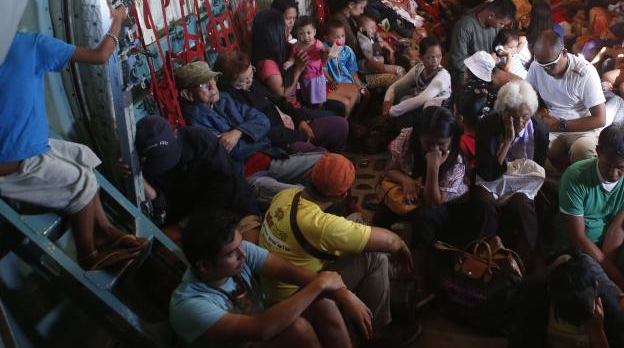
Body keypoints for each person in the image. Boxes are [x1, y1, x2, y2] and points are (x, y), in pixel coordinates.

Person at [0, 5, 148, 271]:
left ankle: (103, 228)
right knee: (80, 180)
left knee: (82, 155)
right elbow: (101, 55)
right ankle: (88, 255)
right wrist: (117, 21)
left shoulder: (30, 45)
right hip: (11, 161)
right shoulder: (30, 44)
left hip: (28, 143)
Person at [259, 154, 421, 346]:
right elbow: (392, 241)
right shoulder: (321, 225)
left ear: (310, 175)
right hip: (297, 299)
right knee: (375, 256)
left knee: (357, 219)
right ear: (342, 195)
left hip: (278, 283)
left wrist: (358, 212)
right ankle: (377, 330)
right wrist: (402, 247)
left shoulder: (286, 195)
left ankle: (369, 298)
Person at [168, 209, 351, 347]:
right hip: (253, 336)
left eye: (240, 244)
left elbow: (296, 275)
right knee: (298, 330)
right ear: (205, 266)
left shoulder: (240, 253)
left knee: (324, 304)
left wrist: (346, 296)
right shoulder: (190, 305)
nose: (243, 254)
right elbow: (261, 329)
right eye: (232, 253)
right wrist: (320, 284)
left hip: (259, 330)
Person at [175, 61, 324, 204]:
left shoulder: (224, 99)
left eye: (213, 79)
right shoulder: (195, 123)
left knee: (325, 162)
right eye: (203, 84)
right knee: (303, 197)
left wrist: (238, 132)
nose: (213, 85)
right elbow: (234, 152)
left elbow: (262, 120)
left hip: (269, 158)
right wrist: (260, 137)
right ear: (187, 94)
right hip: (248, 176)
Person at [135, 116, 261, 242]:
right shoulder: (150, 169)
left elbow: (223, 185)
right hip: (193, 227)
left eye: (167, 155)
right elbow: (161, 208)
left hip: (233, 207)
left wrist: (184, 225)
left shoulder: (197, 138)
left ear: (175, 134)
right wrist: (137, 176)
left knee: (251, 251)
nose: (167, 165)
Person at [372, 107, 470, 266]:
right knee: (385, 207)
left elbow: (433, 201)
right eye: (429, 143)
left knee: (424, 216)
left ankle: (416, 263)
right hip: (418, 187)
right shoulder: (408, 139)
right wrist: (406, 180)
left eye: (441, 144)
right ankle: (373, 251)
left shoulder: (456, 161)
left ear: (452, 138)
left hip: (445, 205)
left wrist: (434, 166)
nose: (435, 149)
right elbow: (390, 170)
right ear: (418, 136)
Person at [554, 124, 624, 292]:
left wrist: (608, 271)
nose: (613, 173)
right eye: (607, 165)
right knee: (605, 290)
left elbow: (617, 229)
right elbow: (578, 238)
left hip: (608, 251)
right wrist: (615, 276)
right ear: (597, 151)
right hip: (574, 250)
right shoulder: (575, 177)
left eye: (621, 167)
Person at [473, 81, 549, 263]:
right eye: (512, 117)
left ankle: (523, 261)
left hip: (522, 183)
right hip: (492, 178)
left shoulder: (540, 131)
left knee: (523, 203)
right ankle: (482, 256)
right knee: (485, 202)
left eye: (524, 117)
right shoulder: (487, 126)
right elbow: (488, 173)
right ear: (502, 113)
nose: (519, 123)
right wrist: (508, 140)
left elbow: (536, 170)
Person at [215, 50, 347, 154]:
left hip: (292, 124)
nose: (250, 80)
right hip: (284, 141)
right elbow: (269, 132)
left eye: (251, 73)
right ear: (230, 83)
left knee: (341, 124)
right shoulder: (233, 102)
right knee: (323, 156)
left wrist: (299, 120)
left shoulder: (252, 84)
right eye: (244, 80)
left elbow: (280, 101)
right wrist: (300, 136)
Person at [525, 30, 609, 167]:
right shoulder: (537, 66)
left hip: (582, 127)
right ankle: (557, 184)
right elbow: (527, 94)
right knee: (530, 149)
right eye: (542, 65)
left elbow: (600, 119)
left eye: (551, 65)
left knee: (582, 152)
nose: (546, 70)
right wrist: (538, 115)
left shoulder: (585, 73)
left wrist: (560, 125)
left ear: (564, 53)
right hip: (551, 124)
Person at [383, 37, 451, 127]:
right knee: (400, 90)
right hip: (422, 105)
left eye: (439, 56)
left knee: (406, 104)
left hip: (435, 114)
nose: (435, 61)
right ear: (421, 57)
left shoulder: (442, 77)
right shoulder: (419, 68)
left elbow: (420, 100)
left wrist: (391, 111)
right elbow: (395, 86)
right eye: (430, 57)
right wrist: (386, 102)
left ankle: (403, 131)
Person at [448, 0, 517, 80]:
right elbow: (458, 62)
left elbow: (496, 49)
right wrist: (487, 63)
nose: (502, 27)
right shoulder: (464, 26)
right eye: (501, 23)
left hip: (489, 67)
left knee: (521, 84)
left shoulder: (495, 25)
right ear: (491, 15)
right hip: (470, 72)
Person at [322, 18, 366, 116]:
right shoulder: (324, 51)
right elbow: (322, 68)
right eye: (337, 37)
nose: (341, 40)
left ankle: (357, 119)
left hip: (348, 81)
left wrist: (359, 85)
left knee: (365, 94)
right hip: (333, 83)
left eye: (343, 36)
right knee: (348, 101)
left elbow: (353, 72)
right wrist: (330, 80)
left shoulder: (347, 51)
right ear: (327, 38)